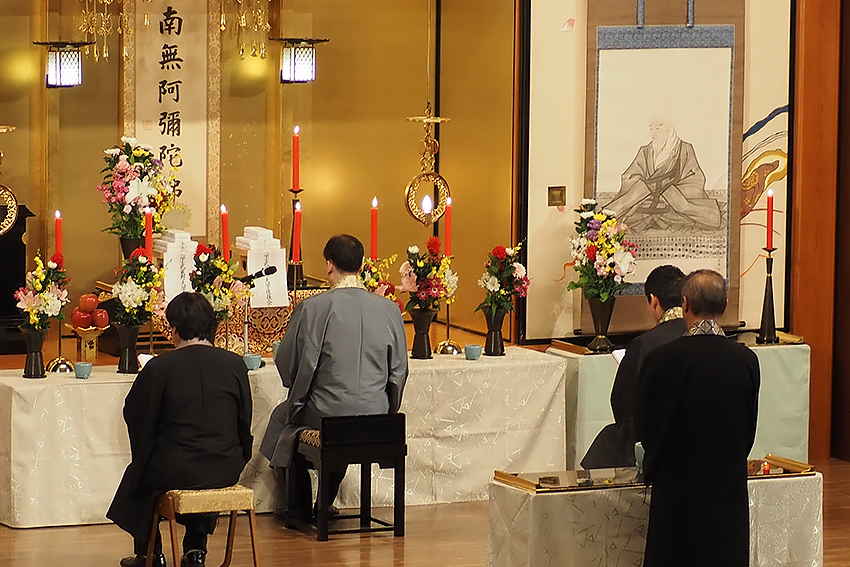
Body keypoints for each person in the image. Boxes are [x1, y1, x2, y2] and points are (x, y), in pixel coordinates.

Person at [260, 234, 408, 522]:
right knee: (329, 421)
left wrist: (298, 398)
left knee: (285, 418)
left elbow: (295, 364)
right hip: (376, 413)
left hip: (329, 411)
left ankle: (298, 505)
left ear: (329, 265)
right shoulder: (390, 310)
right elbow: (400, 370)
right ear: (362, 264)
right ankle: (324, 502)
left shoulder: (314, 308)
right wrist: (387, 409)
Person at [107, 292, 253, 567]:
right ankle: (196, 551)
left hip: (174, 469)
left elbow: (136, 415)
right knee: (199, 461)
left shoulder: (159, 368)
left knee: (144, 471)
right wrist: (236, 455)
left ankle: (150, 554)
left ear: (173, 329)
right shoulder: (235, 365)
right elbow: (243, 421)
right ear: (212, 325)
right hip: (225, 466)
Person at [635, 270, 760, 567]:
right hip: (726, 487)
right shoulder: (745, 360)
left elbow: (646, 424)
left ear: (685, 304)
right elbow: (748, 427)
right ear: (724, 306)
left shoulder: (662, 359)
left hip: (676, 489)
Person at [580, 265, 686, 469]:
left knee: (608, 441)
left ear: (653, 301)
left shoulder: (645, 344)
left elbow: (622, 400)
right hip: (696, 438)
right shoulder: (699, 336)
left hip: (654, 441)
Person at [605, 119, 723, 232]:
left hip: (671, 202)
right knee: (627, 213)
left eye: (657, 129)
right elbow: (630, 176)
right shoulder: (645, 151)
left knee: (685, 212)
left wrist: (670, 193)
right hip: (646, 200)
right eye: (651, 129)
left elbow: (695, 178)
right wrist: (647, 190)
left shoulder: (685, 149)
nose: (653, 134)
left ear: (668, 130)